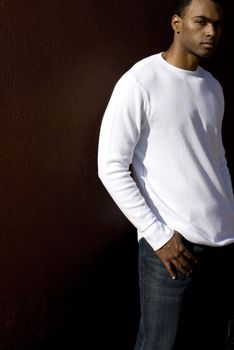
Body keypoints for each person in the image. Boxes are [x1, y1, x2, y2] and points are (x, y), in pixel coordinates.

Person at [97, 0, 234, 349]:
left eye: (217, 24)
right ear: (176, 23)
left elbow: (218, 161)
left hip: (221, 246)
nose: (211, 32)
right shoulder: (140, 82)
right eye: (201, 22)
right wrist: (158, 236)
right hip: (171, 249)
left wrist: (229, 225)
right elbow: (111, 166)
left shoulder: (212, 87)